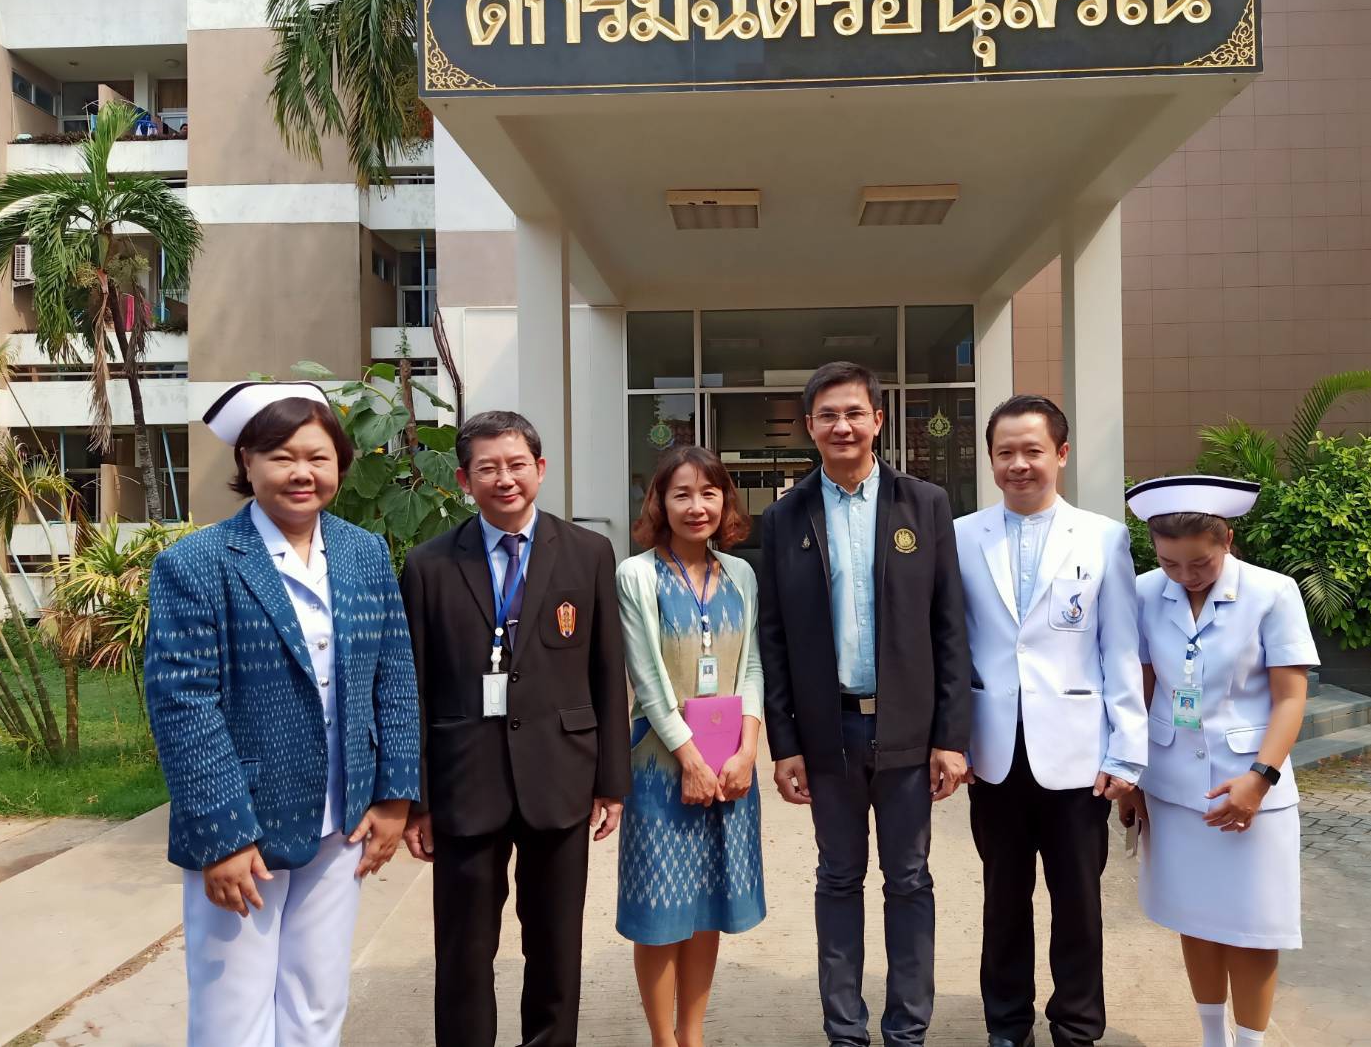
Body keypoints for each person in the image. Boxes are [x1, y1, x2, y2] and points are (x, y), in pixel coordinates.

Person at [144, 381, 421, 1047]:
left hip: (342, 818)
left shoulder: (362, 552)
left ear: (340, 464)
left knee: (317, 1001)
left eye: (318, 457)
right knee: (232, 1014)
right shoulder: (196, 563)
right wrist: (222, 836)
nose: (303, 473)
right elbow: (183, 704)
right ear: (247, 462)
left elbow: (394, 676)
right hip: (245, 824)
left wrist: (395, 796)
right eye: (281, 456)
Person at [399, 410, 631, 1047]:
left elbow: (607, 671)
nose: (504, 479)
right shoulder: (429, 565)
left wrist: (611, 782)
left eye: (516, 465)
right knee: (464, 953)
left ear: (540, 469)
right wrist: (417, 799)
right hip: (463, 784)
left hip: (561, 777)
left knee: (555, 948)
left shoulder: (587, 553)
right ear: (464, 480)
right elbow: (413, 687)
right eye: (487, 468)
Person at [759, 361, 971, 1047]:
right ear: (809, 426)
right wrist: (785, 744)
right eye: (827, 415)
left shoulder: (924, 504)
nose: (842, 426)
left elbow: (950, 626)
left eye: (854, 413)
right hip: (829, 734)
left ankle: (907, 1030)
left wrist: (951, 736)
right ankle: (845, 1031)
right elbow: (773, 639)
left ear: (878, 420)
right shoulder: (785, 516)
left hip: (908, 730)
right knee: (838, 878)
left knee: (908, 880)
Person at [953, 394, 1145, 1047]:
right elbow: (952, 648)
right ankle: (1007, 1027)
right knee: (1002, 902)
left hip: (1078, 756)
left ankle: (1076, 1028)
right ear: (989, 460)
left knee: (1078, 904)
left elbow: (1120, 648)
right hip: (992, 754)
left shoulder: (1102, 536)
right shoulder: (962, 536)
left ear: (1060, 454)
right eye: (1004, 452)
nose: (1018, 464)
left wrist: (1126, 752)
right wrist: (951, 741)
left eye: (1032, 450)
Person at [1121, 476, 1316, 1047]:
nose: (1185, 576)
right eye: (1170, 563)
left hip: (1250, 787)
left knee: (1253, 928)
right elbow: (1141, 689)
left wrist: (1260, 779)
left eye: (1200, 564)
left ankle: (1250, 1042)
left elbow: (1290, 697)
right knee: (1196, 920)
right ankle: (1212, 1038)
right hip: (1172, 787)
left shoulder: (1272, 593)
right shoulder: (1143, 592)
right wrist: (1132, 779)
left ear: (1227, 540)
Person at [615, 446, 767, 1047]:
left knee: (706, 907)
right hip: (660, 766)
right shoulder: (637, 575)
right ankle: (662, 1041)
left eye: (709, 493)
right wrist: (690, 760)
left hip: (729, 767)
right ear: (660, 502)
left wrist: (747, 751)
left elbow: (751, 666)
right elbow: (649, 681)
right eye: (682, 494)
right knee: (659, 913)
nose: (697, 506)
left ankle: (692, 1036)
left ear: (726, 501)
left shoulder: (741, 575)